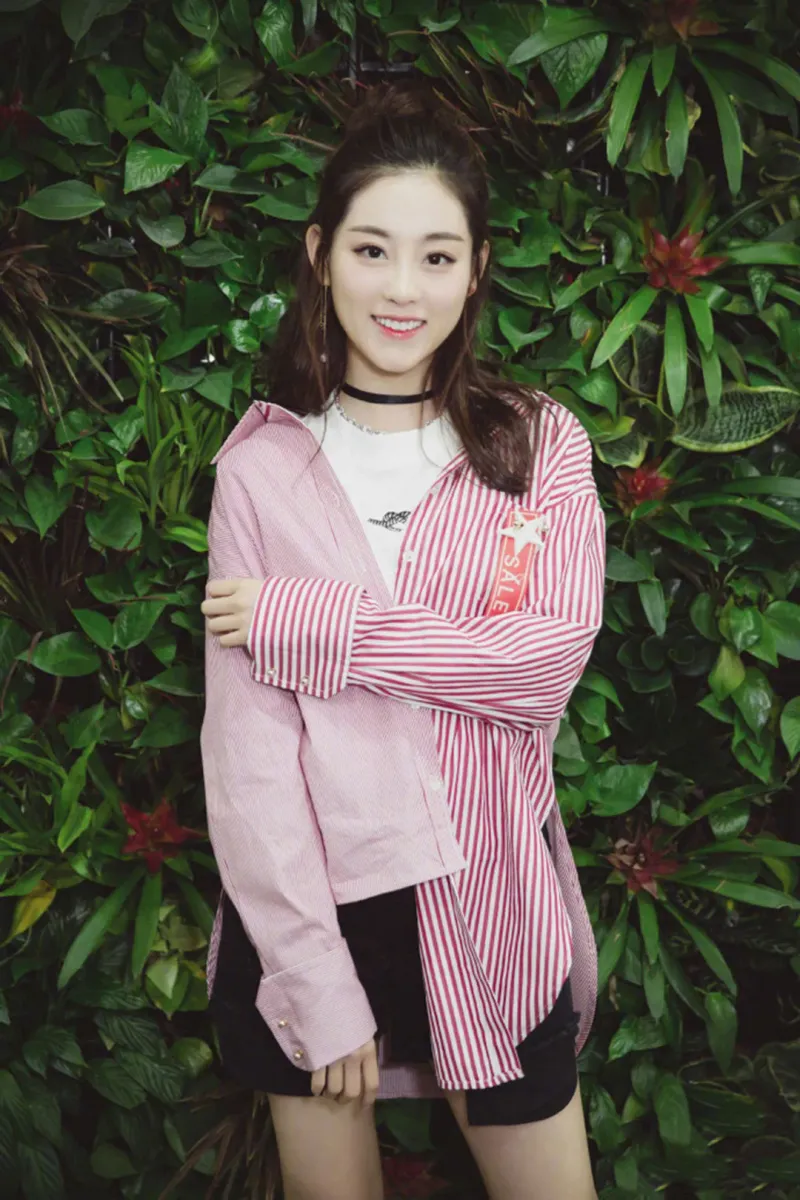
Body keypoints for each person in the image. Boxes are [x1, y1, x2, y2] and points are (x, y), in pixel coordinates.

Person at [199, 83, 605, 1200]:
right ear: (320, 255)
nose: (400, 289)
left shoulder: (536, 446)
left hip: (494, 906)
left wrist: (319, 624)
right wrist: (311, 976)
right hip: (319, 912)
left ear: (476, 272)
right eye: (371, 249)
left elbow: (539, 667)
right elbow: (248, 762)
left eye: (437, 256)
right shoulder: (261, 470)